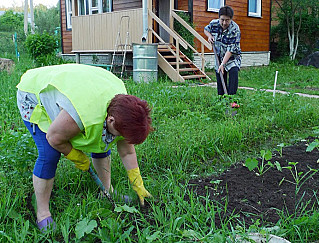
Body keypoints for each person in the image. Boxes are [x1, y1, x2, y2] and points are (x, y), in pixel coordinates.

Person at [16, 64, 153, 232]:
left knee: (103, 142)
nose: (120, 139)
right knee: (49, 153)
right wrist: (75, 155)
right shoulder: (82, 116)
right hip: (34, 93)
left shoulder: (125, 111)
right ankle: (42, 214)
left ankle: (106, 192)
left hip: (82, 84)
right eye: (120, 134)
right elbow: (54, 137)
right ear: (110, 120)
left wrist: (138, 184)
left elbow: (127, 150)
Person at [204, 5, 241, 106]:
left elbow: (231, 49)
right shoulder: (214, 23)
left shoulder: (235, 29)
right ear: (219, 17)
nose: (224, 23)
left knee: (233, 72)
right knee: (221, 77)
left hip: (232, 57)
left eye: (227, 20)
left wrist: (223, 64)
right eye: (222, 20)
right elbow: (206, 29)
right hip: (219, 56)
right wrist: (209, 36)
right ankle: (221, 102)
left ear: (231, 19)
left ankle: (232, 100)